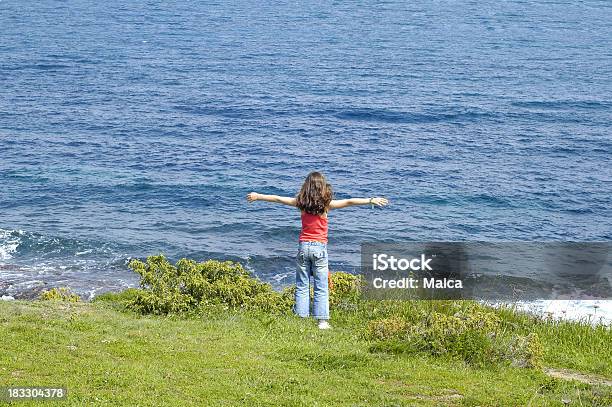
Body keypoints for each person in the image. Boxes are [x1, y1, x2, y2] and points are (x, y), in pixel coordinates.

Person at [246, 171, 388, 329]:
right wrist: (370, 200)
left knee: (302, 284)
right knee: (320, 285)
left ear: (306, 187)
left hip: (303, 247)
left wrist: (258, 196)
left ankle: (300, 319)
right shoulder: (326, 205)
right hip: (319, 248)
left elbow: (278, 199)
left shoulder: (301, 203)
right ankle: (322, 321)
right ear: (322, 188)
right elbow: (349, 202)